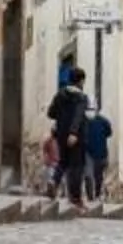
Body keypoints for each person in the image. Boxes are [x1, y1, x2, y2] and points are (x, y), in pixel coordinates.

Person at [46, 66, 91, 205]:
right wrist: (73, 132)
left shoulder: (60, 95)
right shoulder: (82, 98)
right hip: (76, 136)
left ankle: (54, 181)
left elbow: (50, 113)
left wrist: (61, 118)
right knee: (77, 166)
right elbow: (78, 115)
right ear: (81, 81)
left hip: (61, 134)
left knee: (63, 161)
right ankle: (75, 197)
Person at [83, 103, 115, 204]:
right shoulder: (83, 122)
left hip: (101, 154)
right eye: (88, 109)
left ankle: (97, 195)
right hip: (88, 153)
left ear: (97, 110)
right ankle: (90, 198)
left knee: (98, 177)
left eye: (92, 109)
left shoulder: (104, 122)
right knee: (88, 175)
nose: (90, 111)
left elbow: (109, 133)